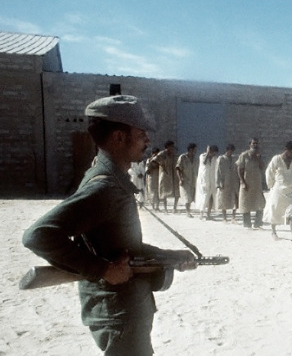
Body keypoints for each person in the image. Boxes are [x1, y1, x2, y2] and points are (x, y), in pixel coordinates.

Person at [22, 95, 196, 355]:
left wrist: (170, 257)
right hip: (118, 313)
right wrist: (102, 269)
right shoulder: (105, 187)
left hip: (126, 309)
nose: (147, 140)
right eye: (141, 133)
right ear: (118, 137)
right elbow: (37, 236)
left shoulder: (115, 182)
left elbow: (122, 248)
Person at [263, 141, 292, 245]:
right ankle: (274, 232)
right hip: (278, 190)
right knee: (275, 210)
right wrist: (270, 185)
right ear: (287, 150)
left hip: (290, 190)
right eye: (291, 152)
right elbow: (269, 172)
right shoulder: (277, 159)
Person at [237, 138, 266, 229]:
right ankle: (247, 224)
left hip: (257, 184)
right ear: (250, 144)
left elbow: (262, 167)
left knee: (260, 203)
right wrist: (242, 181)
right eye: (253, 143)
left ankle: (257, 223)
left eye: (256, 143)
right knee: (246, 203)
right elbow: (239, 169)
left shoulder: (258, 156)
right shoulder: (244, 155)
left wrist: (259, 158)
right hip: (247, 183)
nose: (255, 145)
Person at [152, 140, 179, 213]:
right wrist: (161, 165)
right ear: (167, 147)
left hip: (173, 174)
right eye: (171, 146)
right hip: (164, 174)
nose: (172, 148)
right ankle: (165, 208)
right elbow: (154, 161)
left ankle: (174, 208)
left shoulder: (174, 154)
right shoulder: (162, 154)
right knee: (164, 191)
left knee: (176, 191)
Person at [216, 144, 239, 223]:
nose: (231, 153)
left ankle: (233, 217)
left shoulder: (234, 158)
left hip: (233, 181)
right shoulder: (221, 159)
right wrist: (219, 183)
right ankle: (224, 218)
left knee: (235, 199)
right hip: (224, 182)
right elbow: (217, 171)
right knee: (223, 200)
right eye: (230, 151)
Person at [195, 145, 219, 220]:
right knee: (204, 196)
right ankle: (201, 213)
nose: (214, 154)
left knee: (211, 196)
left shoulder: (215, 158)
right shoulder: (202, 156)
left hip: (212, 180)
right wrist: (208, 153)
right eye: (213, 153)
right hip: (204, 180)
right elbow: (204, 163)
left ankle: (208, 214)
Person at [176, 143, 198, 217]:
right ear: (191, 149)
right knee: (186, 196)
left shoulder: (195, 158)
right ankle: (188, 212)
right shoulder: (182, 157)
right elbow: (178, 168)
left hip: (192, 180)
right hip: (184, 179)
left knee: (190, 196)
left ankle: (188, 210)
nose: (196, 151)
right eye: (195, 149)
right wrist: (180, 179)